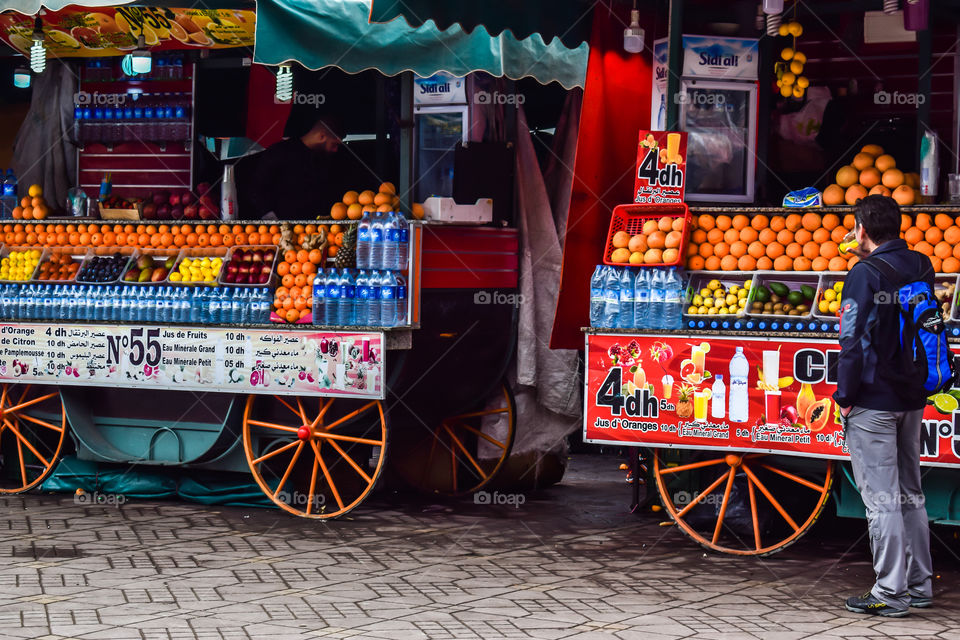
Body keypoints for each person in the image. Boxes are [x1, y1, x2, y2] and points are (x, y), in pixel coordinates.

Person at [834, 195, 934, 618]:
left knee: (882, 500)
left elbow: (852, 341)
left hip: (874, 401)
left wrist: (844, 397)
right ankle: (919, 585)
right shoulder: (921, 263)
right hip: (912, 396)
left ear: (862, 229)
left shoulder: (864, 273)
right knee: (910, 492)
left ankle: (890, 593)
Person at [238, 113, 346, 220]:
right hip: (279, 230)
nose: (335, 150)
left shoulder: (326, 160)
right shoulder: (279, 152)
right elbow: (256, 189)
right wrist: (270, 218)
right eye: (334, 144)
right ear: (321, 136)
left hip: (318, 230)